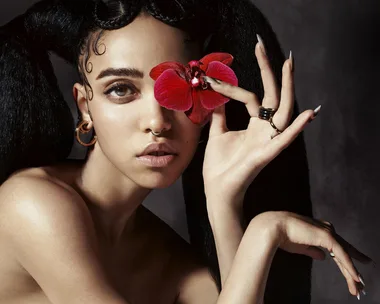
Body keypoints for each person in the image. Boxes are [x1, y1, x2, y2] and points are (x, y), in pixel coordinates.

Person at [0, 0, 372, 303]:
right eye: (121, 89)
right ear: (84, 106)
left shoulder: (175, 264)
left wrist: (225, 201)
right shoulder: (31, 204)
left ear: (208, 104)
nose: (157, 121)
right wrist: (264, 232)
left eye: (182, 88)